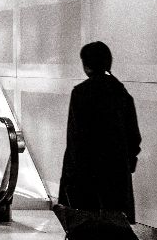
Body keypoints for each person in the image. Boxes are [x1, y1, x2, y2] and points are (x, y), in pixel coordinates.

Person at [59, 41, 142, 222]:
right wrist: (128, 163)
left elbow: (75, 140)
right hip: (116, 176)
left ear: (86, 65)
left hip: (86, 177)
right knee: (114, 233)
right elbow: (133, 135)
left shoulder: (81, 93)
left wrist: (69, 178)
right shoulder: (121, 92)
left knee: (86, 235)